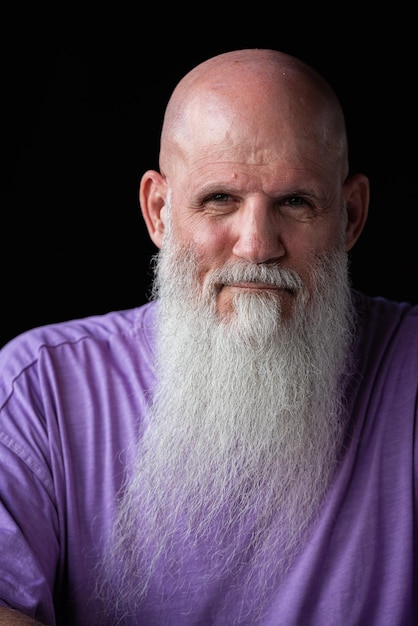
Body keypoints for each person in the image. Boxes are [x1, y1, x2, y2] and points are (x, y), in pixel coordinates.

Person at [0, 47, 416, 626]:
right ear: (159, 212)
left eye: (295, 202)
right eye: (220, 199)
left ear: (349, 216)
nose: (256, 245)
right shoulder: (38, 392)